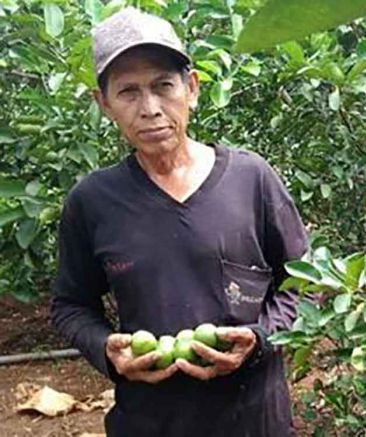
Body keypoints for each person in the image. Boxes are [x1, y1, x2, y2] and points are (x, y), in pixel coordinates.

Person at [50, 7, 308, 437]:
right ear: (104, 103)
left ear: (191, 88)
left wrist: (261, 338)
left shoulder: (251, 179)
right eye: (128, 92)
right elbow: (70, 305)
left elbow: (306, 284)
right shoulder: (92, 202)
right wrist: (106, 349)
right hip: (150, 423)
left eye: (163, 86)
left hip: (255, 422)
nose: (149, 108)